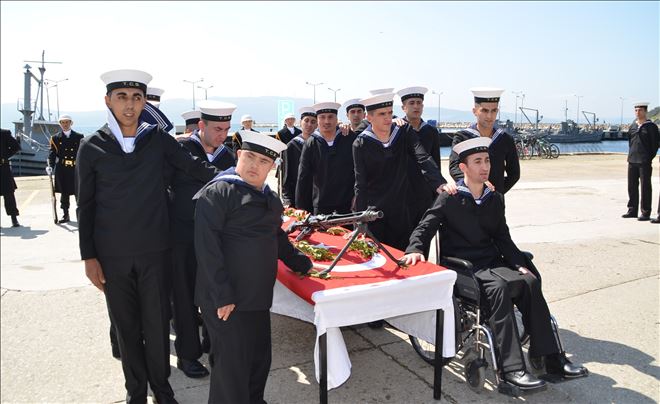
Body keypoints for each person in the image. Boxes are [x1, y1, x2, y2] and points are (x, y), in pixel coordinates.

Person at [76, 69, 221, 404]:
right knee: (126, 328)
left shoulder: (156, 139)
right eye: (122, 97)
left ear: (144, 102)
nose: (129, 105)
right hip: (112, 256)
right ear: (108, 101)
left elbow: (192, 166)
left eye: (137, 97)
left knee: (156, 326)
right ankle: (135, 391)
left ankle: (162, 389)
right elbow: (86, 206)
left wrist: (236, 177)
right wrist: (89, 257)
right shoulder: (92, 146)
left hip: (155, 251)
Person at [401, 136, 588, 390]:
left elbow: (503, 237)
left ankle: (552, 359)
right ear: (463, 168)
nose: (485, 166)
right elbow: (424, 228)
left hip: (491, 264)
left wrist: (518, 263)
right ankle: (512, 371)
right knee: (498, 289)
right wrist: (415, 249)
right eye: (477, 162)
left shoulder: (494, 198)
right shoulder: (450, 198)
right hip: (463, 267)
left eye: (487, 161)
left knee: (529, 282)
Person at [194, 131, 312, 403]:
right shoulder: (218, 193)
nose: (254, 166)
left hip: (257, 296)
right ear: (238, 155)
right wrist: (223, 295)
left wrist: (301, 262)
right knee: (231, 368)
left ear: (272, 167)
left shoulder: (269, 198)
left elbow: (276, 236)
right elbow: (207, 249)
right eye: (249, 157)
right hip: (226, 299)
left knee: (258, 359)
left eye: (263, 161)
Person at [170, 100, 238, 379]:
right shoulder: (182, 149)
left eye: (227, 129)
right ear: (201, 125)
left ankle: (213, 344)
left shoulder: (228, 157)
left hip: (214, 238)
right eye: (217, 129)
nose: (223, 135)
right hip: (182, 236)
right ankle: (188, 355)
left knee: (214, 294)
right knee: (184, 298)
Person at [352, 92, 448, 251]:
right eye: (382, 114)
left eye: (390, 112)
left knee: (403, 255)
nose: (387, 118)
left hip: (402, 211)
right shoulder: (361, 143)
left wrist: (439, 182)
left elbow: (422, 157)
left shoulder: (403, 132)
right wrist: (361, 220)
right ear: (369, 118)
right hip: (375, 212)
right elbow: (360, 184)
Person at [449, 88, 520, 195]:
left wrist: (497, 193)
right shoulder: (462, 137)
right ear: (475, 111)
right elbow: (454, 168)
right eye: (485, 110)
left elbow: (514, 174)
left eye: (494, 111)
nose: (489, 116)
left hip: (494, 202)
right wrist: (475, 186)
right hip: (469, 198)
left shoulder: (505, 139)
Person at [396, 86, 446, 230]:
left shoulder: (430, 131)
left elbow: (435, 162)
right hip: (404, 192)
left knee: (424, 232)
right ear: (404, 107)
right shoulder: (397, 129)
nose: (416, 106)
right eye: (411, 103)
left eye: (419, 103)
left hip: (425, 193)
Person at [295, 102, 357, 214]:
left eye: (330, 117)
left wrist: (357, 196)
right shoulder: (311, 143)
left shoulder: (350, 138)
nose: (326, 121)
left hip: (347, 205)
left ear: (336, 118)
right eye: (322, 117)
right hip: (321, 206)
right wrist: (301, 208)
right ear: (317, 120)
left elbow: (360, 170)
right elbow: (303, 177)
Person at [622, 101, 660, 221]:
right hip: (632, 160)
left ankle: (645, 212)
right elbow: (630, 141)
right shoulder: (633, 126)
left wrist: (648, 157)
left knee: (645, 187)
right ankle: (632, 210)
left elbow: (655, 145)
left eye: (640, 110)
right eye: (636, 110)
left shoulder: (651, 126)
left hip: (644, 161)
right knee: (632, 186)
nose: (637, 112)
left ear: (645, 111)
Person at [47, 114, 84, 223]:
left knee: (79, 192)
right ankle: (65, 214)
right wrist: (50, 166)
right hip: (62, 168)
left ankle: (81, 214)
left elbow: (83, 153)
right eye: (62, 122)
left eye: (67, 122)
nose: (65, 124)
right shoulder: (55, 138)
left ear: (71, 123)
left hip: (75, 168)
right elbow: (52, 153)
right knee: (64, 192)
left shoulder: (79, 137)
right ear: (60, 124)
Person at [281, 106, 317, 207]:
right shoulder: (292, 146)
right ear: (301, 122)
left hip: (317, 196)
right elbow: (286, 176)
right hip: (298, 195)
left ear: (317, 124)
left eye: (313, 122)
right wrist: (287, 200)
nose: (309, 124)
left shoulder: (319, 144)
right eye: (306, 120)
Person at [1, 128, 21, 227]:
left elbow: (16, 147)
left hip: (3, 168)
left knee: (9, 194)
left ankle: (14, 218)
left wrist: (5, 156)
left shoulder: (4, 133)